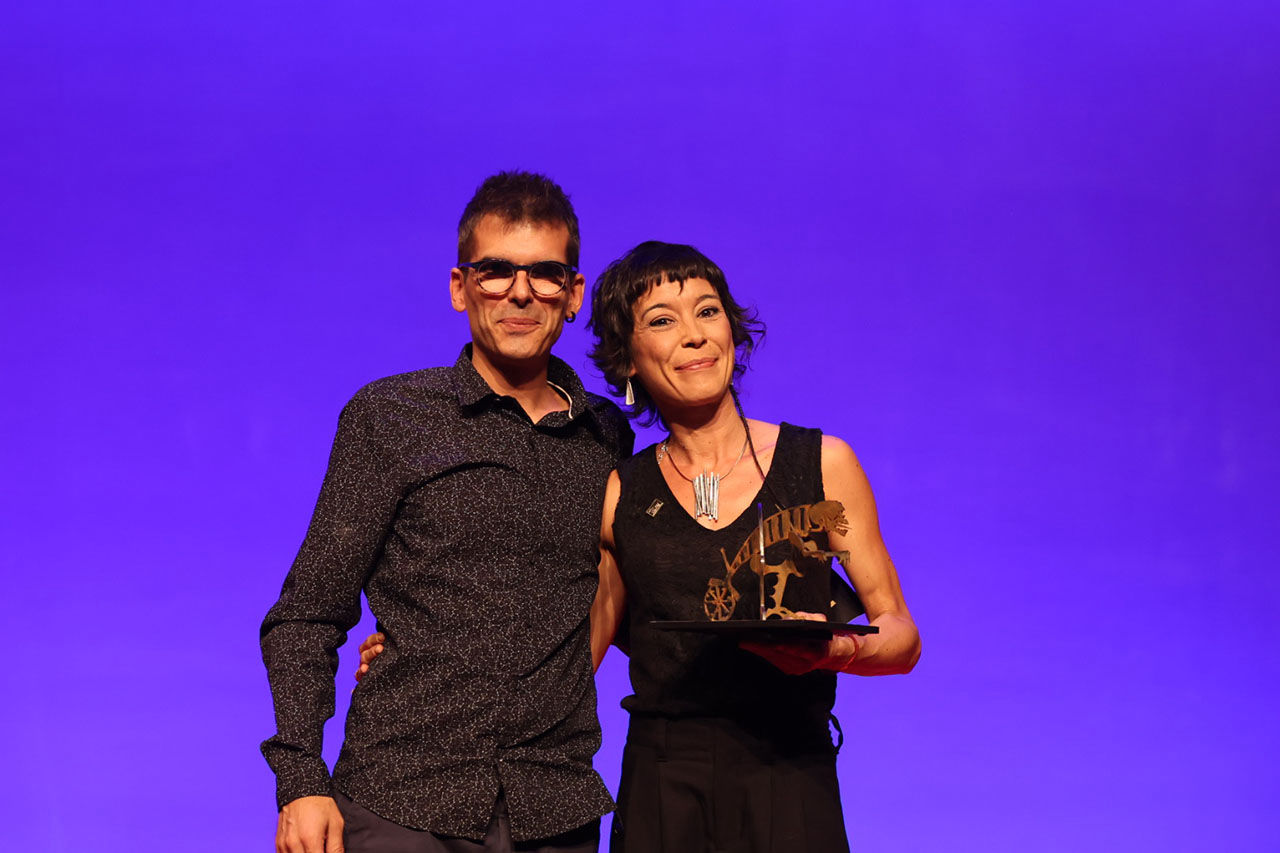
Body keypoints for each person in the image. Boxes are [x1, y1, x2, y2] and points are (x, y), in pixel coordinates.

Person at [361, 240, 921, 852]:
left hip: (791, 769)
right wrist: (428, 654)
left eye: (707, 311)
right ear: (628, 361)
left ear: (733, 333)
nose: (694, 335)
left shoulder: (822, 463)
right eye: (662, 321)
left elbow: (900, 635)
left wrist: (835, 651)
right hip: (663, 779)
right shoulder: (620, 492)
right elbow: (570, 656)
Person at [261, 171, 633, 853]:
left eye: (545, 273)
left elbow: (624, 591)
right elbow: (307, 613)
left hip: (554, 809)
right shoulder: (392, 417)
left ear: (573, 294)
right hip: (401, 799)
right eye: (496, 271)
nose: (520, 292)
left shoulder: (606, 436)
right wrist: (301, 779)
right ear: (461, 287)